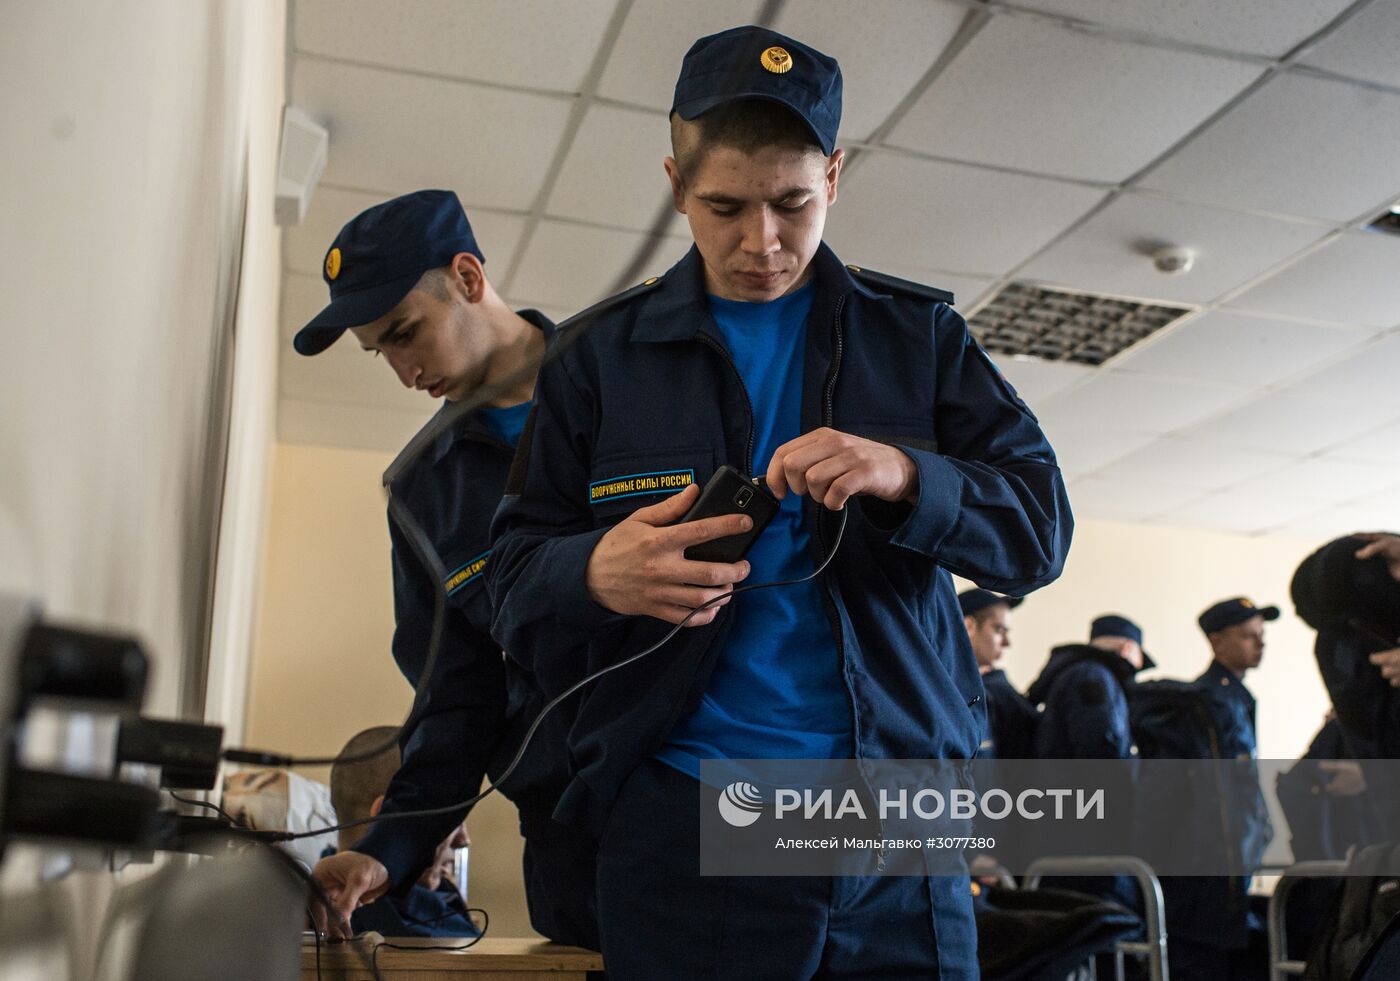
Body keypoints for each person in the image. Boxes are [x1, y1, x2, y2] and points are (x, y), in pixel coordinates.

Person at [486, 25, 1072, 980]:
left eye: (794, 203)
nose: (762, 242)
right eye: (724, 206)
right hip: (692, 816)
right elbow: (509, 580)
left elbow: (1040, 532)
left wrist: (909, 477)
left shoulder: (919, 338)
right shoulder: (596, 358)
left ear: (834, 178)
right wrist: (594, 568)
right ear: (676, 184)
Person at [294, 190, 597, 949]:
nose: (405, 372)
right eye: (381, 352)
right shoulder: (422, 491)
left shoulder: (628, 382)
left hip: (719, 794)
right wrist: (384, 851)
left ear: (466, 276)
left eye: (406, 333)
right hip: (575, 835)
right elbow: (456, 700)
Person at [325, 726, 477, 938]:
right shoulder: (358, 930)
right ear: (385, 816)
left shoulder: (441, 895)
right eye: (448, 817)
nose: (464, 840)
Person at [959, 588, 1037, 759]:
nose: (1007, 642)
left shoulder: (1000, 692)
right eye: (999, 630)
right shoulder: (956, 696)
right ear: (969, 626)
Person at [1195, 596, 1278, 752]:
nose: (1261, 643)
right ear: (1217, 643)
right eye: (1249, 636)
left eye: (1262, 634)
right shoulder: (1212, 699)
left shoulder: (1234, 693)